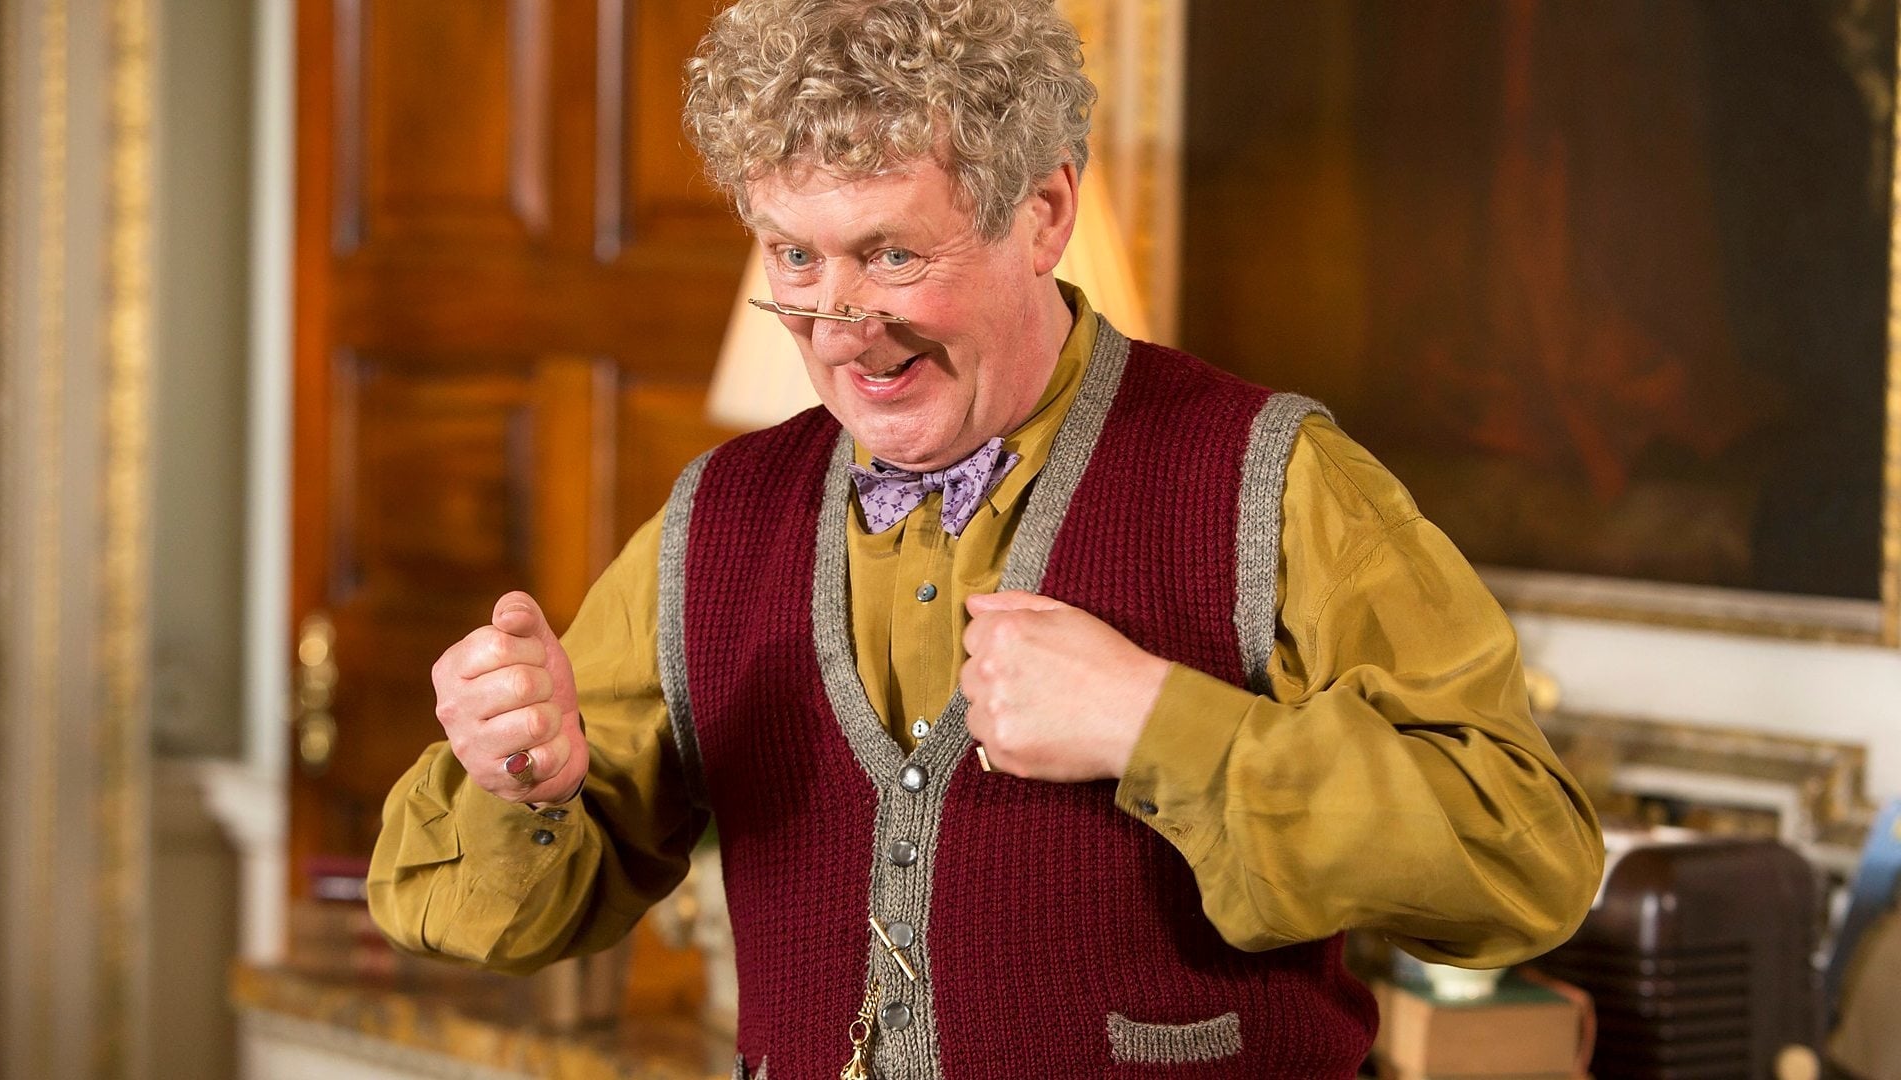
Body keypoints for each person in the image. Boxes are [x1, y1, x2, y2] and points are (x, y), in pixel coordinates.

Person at [369, 1, 1604, 1075]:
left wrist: (1159, 725)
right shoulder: (714, 520)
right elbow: (480, 916)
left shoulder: (1272, 480)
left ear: (1045, 212)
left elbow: (1527, 856)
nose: (840, 328)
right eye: (794, 256)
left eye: (893, 254)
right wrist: (525, 781)